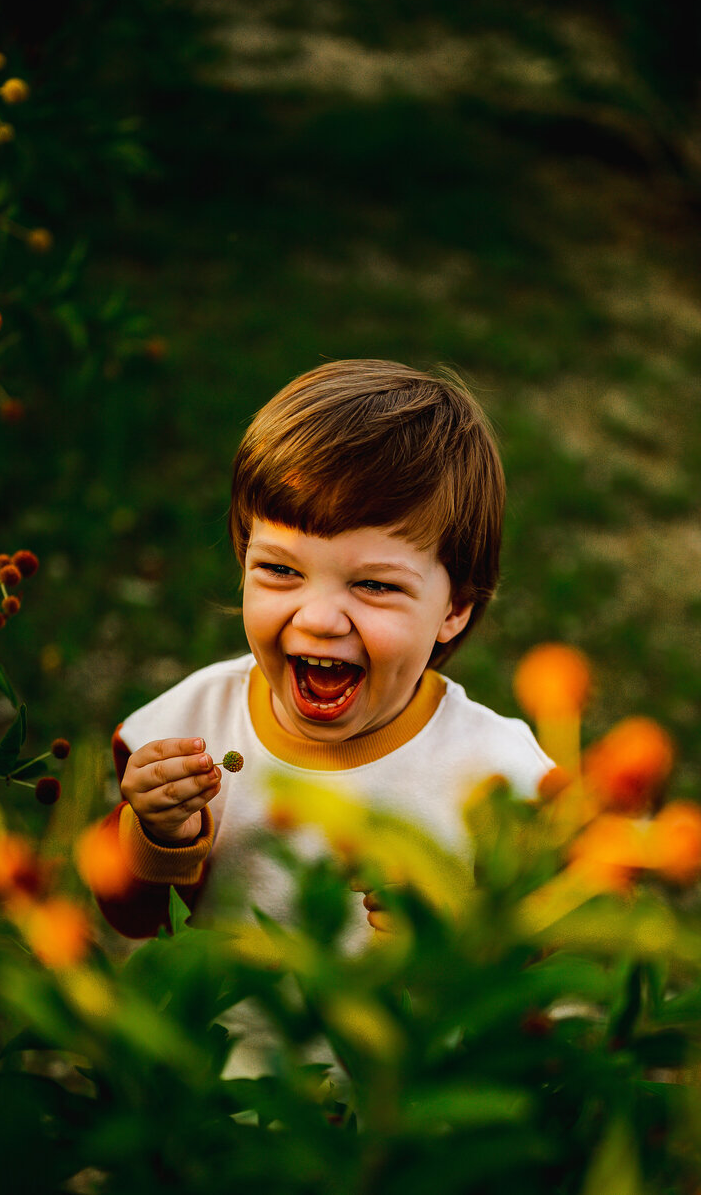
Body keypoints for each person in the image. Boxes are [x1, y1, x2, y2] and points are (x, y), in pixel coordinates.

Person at [89, 358, 552, 1080]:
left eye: (372, 584)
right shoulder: (194, 723)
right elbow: (128, 914)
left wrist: (461, 942)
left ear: (455, 607)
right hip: (216, 1098)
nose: (318, 616)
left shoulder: (500, 778)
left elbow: (555, 980)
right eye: (279, 570)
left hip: (404, 1127)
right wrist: (152, 834)